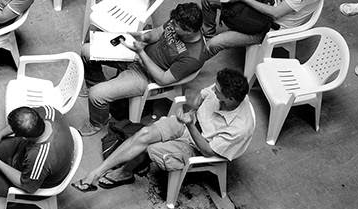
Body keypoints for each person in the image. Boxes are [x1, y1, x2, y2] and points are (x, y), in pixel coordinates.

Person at [73, 69, 254, 192]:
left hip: (199, 145)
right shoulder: (221, 91)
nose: (214, 89)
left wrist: (190, 124)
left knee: (151, 147)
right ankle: (96, 173)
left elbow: (208, 151)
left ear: (230, 99)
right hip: (189, 124)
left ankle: (125, 172)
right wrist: (192, 109)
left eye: (218, 90)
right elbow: (202, 95)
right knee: (144, 134)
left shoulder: (240, 128)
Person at [82, 2, 207, 136]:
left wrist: (141, 53)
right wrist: (139, 36)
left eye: (176, 25)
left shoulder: (194, 56)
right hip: (137, 54)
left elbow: (163, 79)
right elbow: (158, 33)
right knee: (86, 51)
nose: (172, 24)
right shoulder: (178, 21)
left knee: (96, 94)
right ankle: (94, 82)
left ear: (188, 30)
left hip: (146, 76)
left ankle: (97, 122)